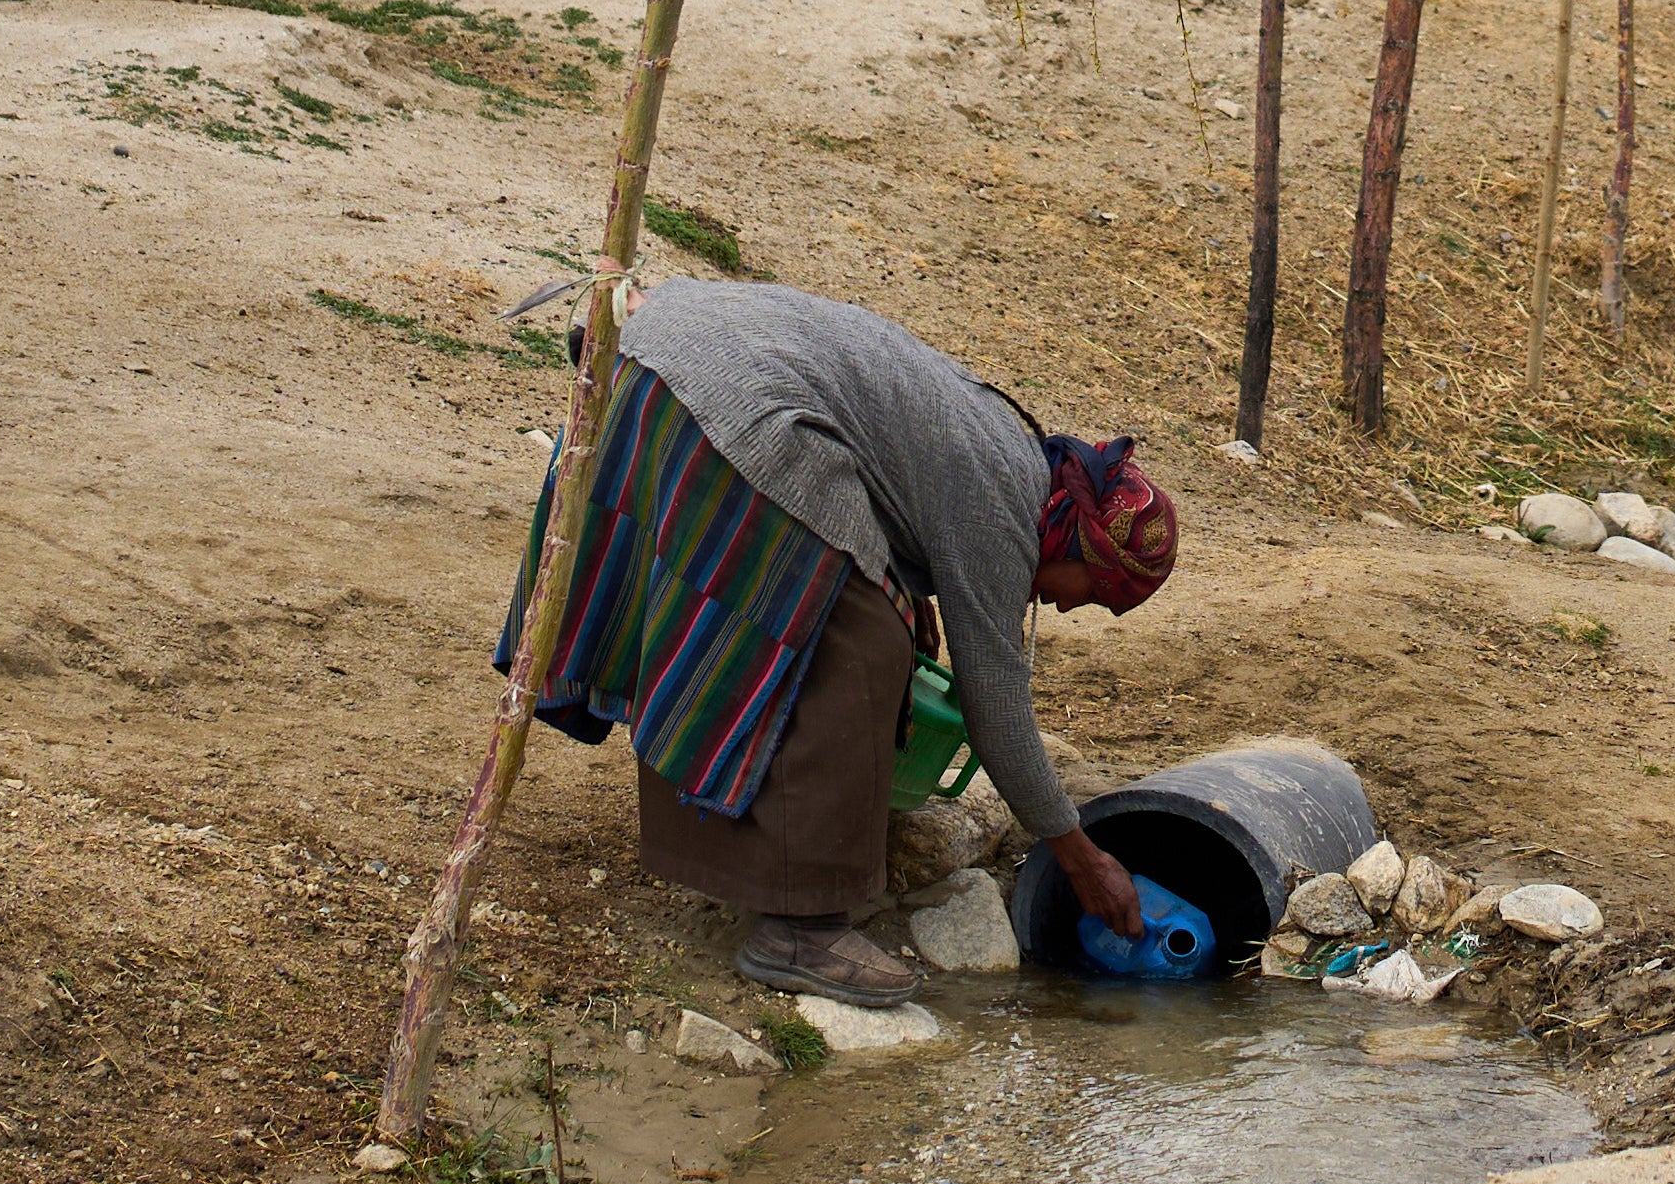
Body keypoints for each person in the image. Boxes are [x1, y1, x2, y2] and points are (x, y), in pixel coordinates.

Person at [504, 277, 1175, 1006]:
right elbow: (996, 708)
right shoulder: (1004, 507)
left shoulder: (1004, 451)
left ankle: (752, 845)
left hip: (655, 357)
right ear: (1080, 543)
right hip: (728, 397)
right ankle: (800, 929)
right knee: (860, 644)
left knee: (883, 611)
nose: (1068, 607)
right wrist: (1080, 859)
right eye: (1094, 594)